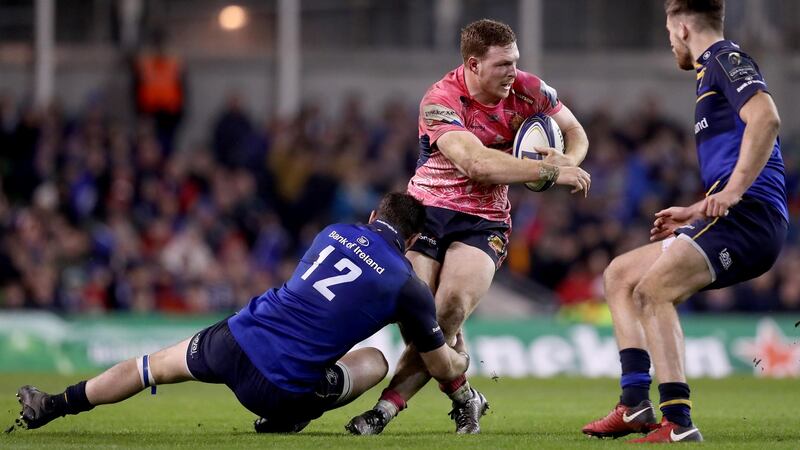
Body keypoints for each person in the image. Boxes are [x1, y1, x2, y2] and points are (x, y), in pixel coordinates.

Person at [15, 193, 472, 434]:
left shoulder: (333, 232)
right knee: (374, 360)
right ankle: (293, 418)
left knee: (148, 367)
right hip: (281, 387)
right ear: (412, 242)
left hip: (237, 336)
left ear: (374, 215)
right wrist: (459, 359)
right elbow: (435, 364)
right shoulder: (406, 283)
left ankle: (53, 405)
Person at [347, 19, 591, 435]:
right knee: (415, 316)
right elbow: (475, 164)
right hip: (426, 214)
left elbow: (575, 132)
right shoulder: (440, 100)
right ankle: (464, 394)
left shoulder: (530, 89)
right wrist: (548, 173)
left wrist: (568, 160)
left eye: (515, 62)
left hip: (485, 220)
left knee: (449, 311)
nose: (513, 72)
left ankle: (385, 409)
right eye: (502, 65)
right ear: (474, 65)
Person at [582, 0, 787, 443]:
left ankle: (678, 419)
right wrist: (699, 208)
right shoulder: (709, 73)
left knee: (654, 290)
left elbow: (766, 118)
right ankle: (635, 405)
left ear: (683, 26)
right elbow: (739, 151)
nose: (669, 40)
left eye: (668, 31)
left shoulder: (726, 60)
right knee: (620, 275)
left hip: (749, 218)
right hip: (734, 213)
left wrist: (730, 194)